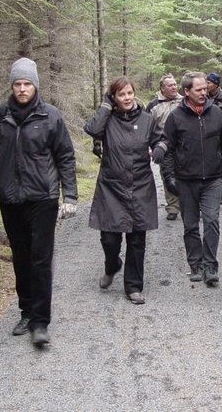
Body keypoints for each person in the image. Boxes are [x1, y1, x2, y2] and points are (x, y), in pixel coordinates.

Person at [0, 57, 78, 346]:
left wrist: (70, 195)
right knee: (20, 257)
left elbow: (65, 157)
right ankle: (26, 311)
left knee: (41, 259)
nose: (22, 89)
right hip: (10, 198)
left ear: (35, 86)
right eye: (17, 84)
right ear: (12, 86)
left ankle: (40, 322)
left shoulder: (50, 116)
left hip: (43, 197)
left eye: (27, 84)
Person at [84, 77, 167, 305]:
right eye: (121, 94)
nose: (127, 98)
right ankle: (112, 265)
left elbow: (162, 139)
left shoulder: (146, 119)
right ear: (113, 98)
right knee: (109, 239)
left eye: (130, 93)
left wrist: (160, 148)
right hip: (111, 186)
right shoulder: (107, 120)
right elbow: (91, 129)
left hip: (140, 185)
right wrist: (105, 106)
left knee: (137, 239)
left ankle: (133, 286)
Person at [162, 71, 222, 286]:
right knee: (190, 225)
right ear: (186, 91)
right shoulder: (175, 117)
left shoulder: (216, 114)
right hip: (185, 180)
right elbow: (167, 149)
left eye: (205, 89)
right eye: (198, 89)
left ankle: (210, 266)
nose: (204, 93)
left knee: (211, 221)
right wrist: (169, 177)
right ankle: (196, 265)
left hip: (213, 179)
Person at [145, 74, 183, 221]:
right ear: (162, 88)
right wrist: (150, 147)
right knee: (168, 176)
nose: (174, 87)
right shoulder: (153, 105)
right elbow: (146, 127)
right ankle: (173, 207)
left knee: (187, 174)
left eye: (175, 84)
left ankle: (190, 204)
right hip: (163, 145)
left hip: (183, 144)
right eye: (170, 85)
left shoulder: (184, 101)